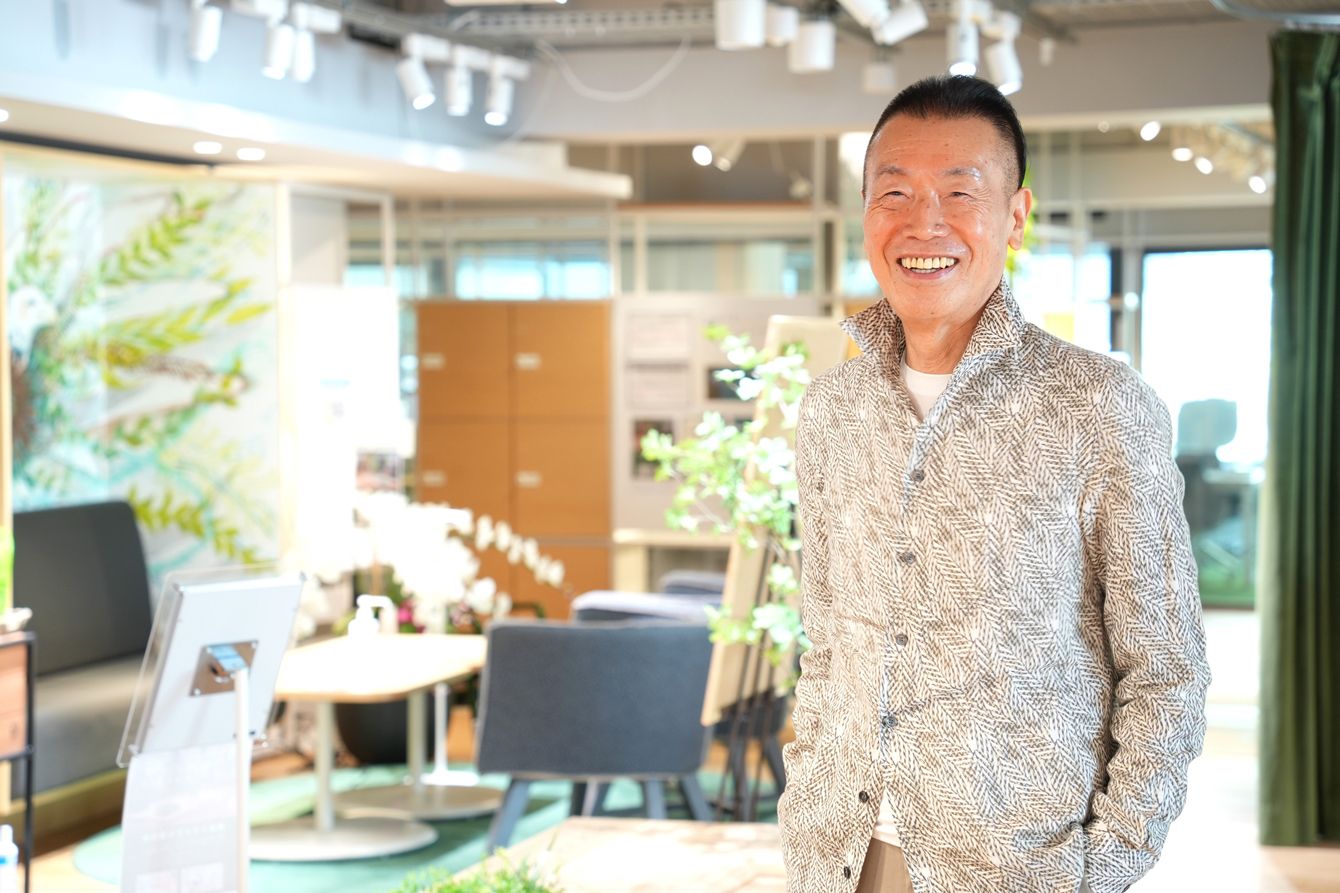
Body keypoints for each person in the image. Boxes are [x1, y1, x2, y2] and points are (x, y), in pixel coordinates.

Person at [777, 75, 1210, 893]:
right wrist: (805, 805)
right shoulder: (831, 409)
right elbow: (828, 640)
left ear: (1015, 216)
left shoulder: (1098, 405)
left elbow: (1166, 667)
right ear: (865, 210)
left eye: (959, 192)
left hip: (1019, 871)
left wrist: (1105, 866)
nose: (924, 223)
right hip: (840, 861)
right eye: (895, 192)